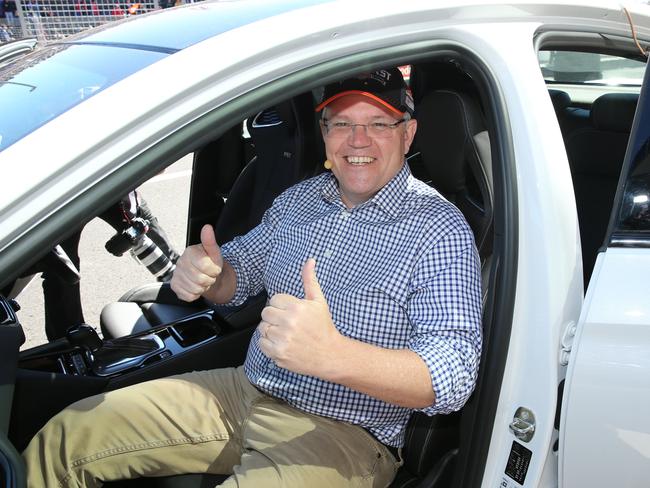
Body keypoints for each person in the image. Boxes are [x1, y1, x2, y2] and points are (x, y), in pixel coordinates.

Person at [23, 67, 483, 487]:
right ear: (324, 134)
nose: (357, 140)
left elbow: (454, 374)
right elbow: (237, 277)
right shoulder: (299, 201)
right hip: (246, 390)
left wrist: (333, 355)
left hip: (345, 434)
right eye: (342, 123)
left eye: (379, 124)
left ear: (408, 134)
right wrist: (208, 272)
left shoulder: (438, 229)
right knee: (65, 437)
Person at [41, 191, 180, 341]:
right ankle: (71, 341)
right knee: (63, 267)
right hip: (70, 194)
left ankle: (187, 293)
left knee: (141, 231)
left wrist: (133, 231)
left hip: (103, 185)